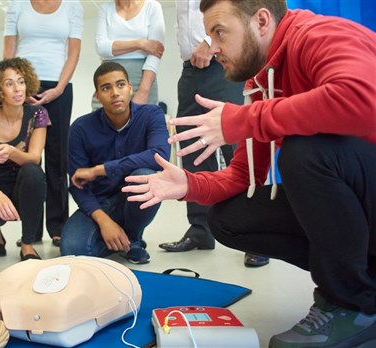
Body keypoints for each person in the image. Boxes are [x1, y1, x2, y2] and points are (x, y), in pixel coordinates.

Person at [123, 0, 376, 346]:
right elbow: (242, 176)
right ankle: (364, 281)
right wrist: (188, 185)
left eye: (219, 33)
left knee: (306, 153)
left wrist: (242, 120)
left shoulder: (320, 35)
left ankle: (353, 303)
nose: (213, 48)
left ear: (260, 21)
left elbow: (361, 98)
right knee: (230, 218)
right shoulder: (262, 81)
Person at [159, 0, 269, 268]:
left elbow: (235, 11)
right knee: (191, 145)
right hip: (190, 69)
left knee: (236, 146)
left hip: (222, 63)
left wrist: (210, 42)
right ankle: (200, 229)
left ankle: (256, 237)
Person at [60, 62, 170, 264]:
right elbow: (77, 184)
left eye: (120, 85)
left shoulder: (151, 115)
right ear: (97, 96)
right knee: (72, 250)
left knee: (145, 175)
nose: (115, 93)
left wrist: (101, 170)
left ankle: (133, 236)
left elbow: (160, 155)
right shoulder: (80, 128)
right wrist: (103, 221)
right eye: (106, 88)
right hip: (99, 203)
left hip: (133, 198)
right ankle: (120, 238)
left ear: (130, 87)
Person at [3, 0, 83, 248]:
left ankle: (58, 227)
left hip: (58, 88)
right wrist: (17, 86)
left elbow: (73, 52)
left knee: (58, 159)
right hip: (24, 88)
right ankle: (31, 229)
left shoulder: (72, 6)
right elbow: (9, 51)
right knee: (28, 160)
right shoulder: (17, 4)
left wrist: (59, 88)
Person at [0, 57, 50, 261]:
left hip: (23, 187)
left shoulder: (37, 114)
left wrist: (12, 152)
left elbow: (34, 158)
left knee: (33, 173)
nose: (18, 89)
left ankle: (28, 243)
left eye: (21, 81)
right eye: (9, 83)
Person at [93, 0, 165, 108]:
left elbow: (156, 51)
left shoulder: (152, 6)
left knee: (143, 121)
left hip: (143, 77)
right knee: (100, 121)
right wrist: (140, 44)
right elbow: (101, 47)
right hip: (108, 75)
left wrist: (143, 91)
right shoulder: (105, 8)